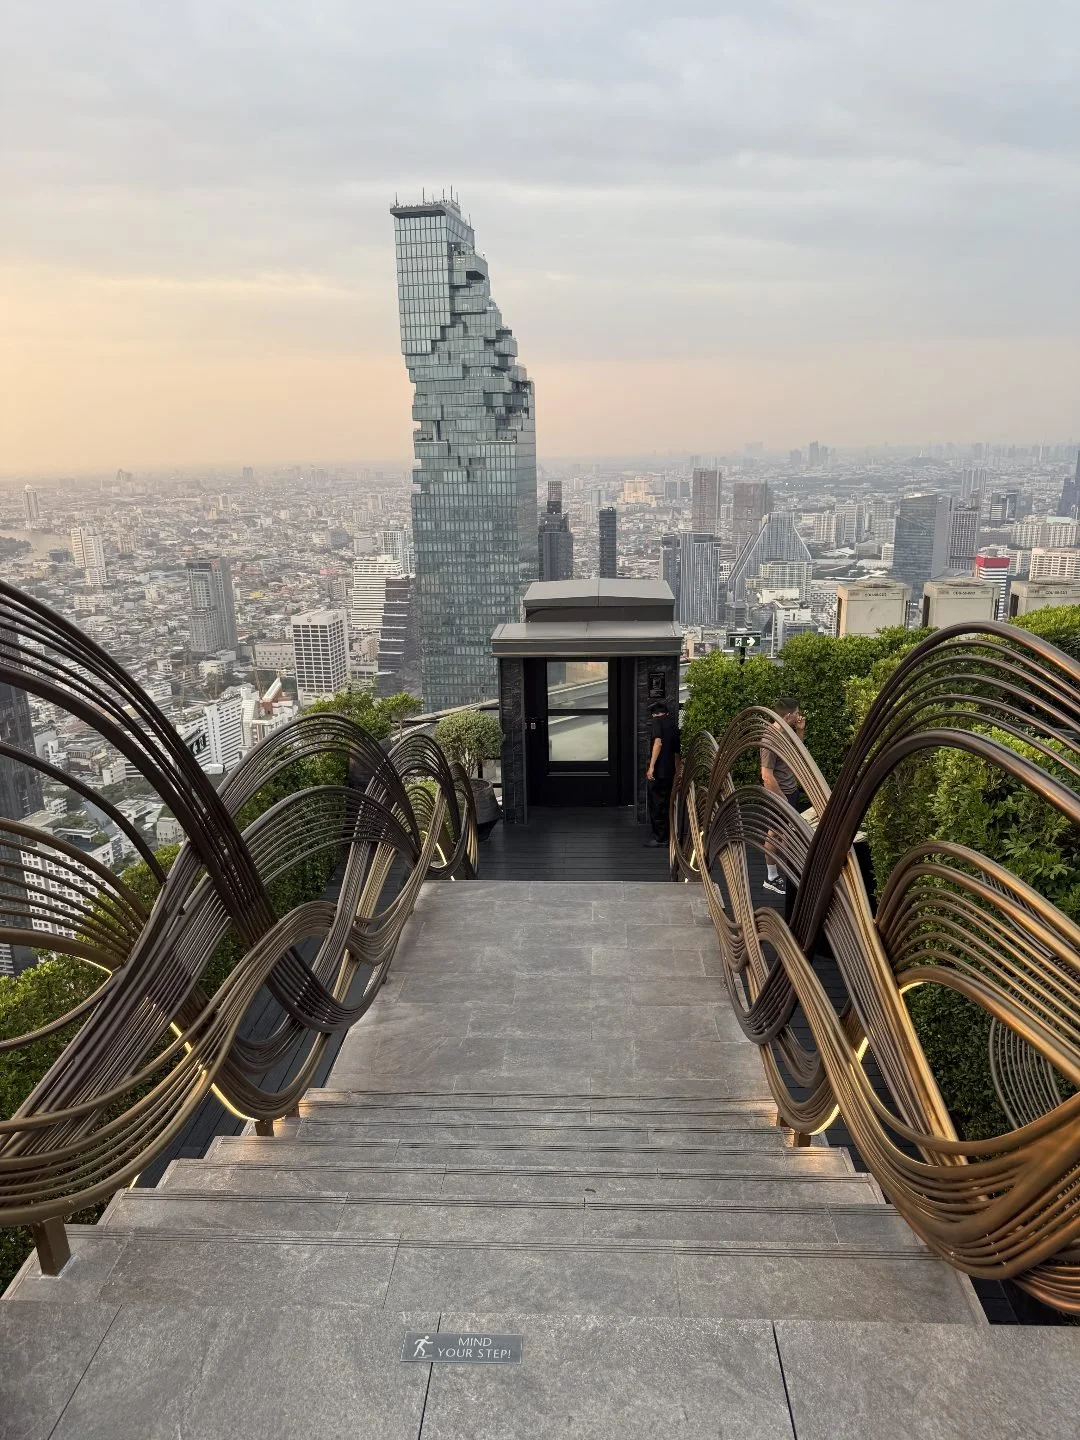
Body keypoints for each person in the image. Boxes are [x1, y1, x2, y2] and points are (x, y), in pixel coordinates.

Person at [759, 696, 805, 895]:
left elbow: (797, 753)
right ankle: (780, 876)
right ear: (788, 716)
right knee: (780, 833)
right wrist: (782, 799)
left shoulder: (786, 732)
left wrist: (800, 730)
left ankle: (778, 874)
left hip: (789, 789)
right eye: (796, 714)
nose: (798, 716)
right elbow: (766, 775)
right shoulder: (770, 738)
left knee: (778, 831)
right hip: (781, 793)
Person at [644, 699, 681, 847]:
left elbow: (658, 743)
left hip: (659, 772)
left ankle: (660, 838)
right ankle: (667, 836)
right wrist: (678, 772)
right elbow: (677, 752)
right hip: (670, 771)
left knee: (657, 804)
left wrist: (651, 766)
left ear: (654, 714)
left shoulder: (657, 723)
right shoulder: (673, 726)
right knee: (667, 803)